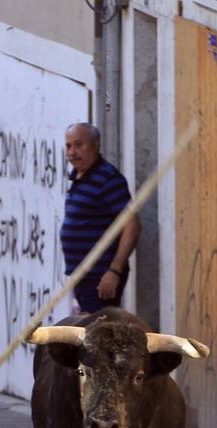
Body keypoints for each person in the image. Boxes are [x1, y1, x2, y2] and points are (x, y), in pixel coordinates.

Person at [61, 122, 139, 314]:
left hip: (100, 278)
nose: (72, 152)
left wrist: (114, 270)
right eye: (68, 146)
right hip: (82, 276)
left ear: (96, 145)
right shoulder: (79, 177)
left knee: (98, 336)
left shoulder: (108, 179)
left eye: (79, 145)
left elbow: (132, 225)